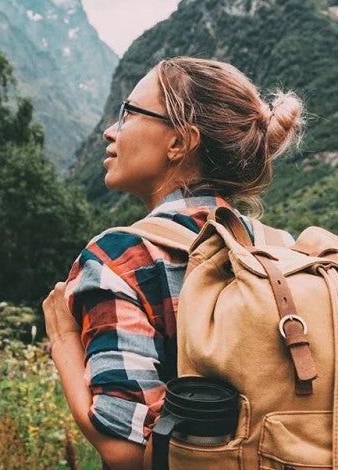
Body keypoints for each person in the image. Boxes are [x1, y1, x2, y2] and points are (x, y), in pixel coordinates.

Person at [42, 57, 304, 469]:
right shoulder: (288, 251)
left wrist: (62, 338)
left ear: (179, 143)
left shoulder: (120, 258)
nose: (111, 131)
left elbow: (125, 450)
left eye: (129, 113)